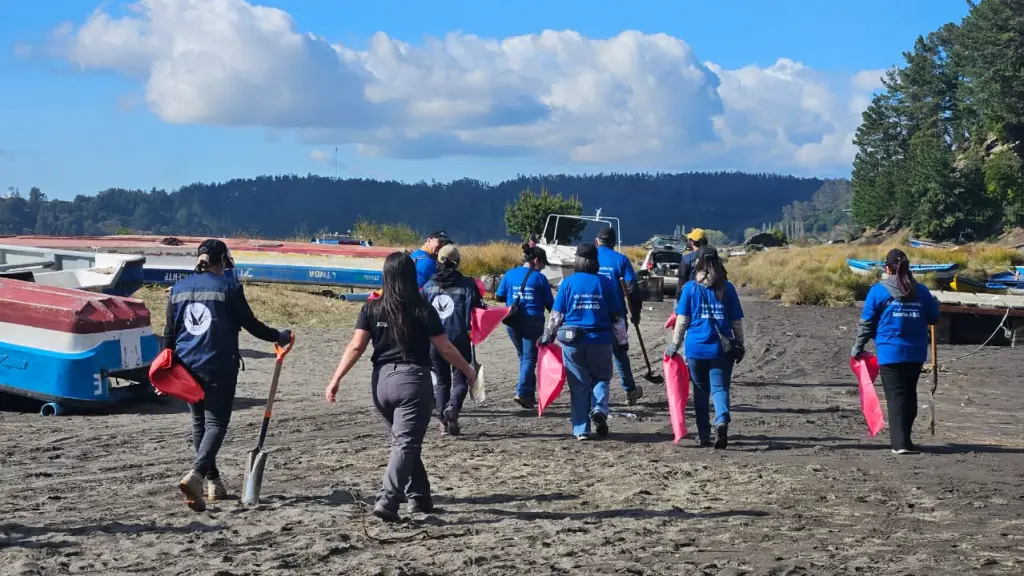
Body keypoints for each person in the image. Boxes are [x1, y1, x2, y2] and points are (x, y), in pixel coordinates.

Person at [324, 252, 476, 522]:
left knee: (404, 442)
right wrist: (467, 370)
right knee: (405, 444)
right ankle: (388, 499)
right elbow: (445, 347)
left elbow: (356, 346)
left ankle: (419, 496)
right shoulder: (422, 308)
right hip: (413, 382)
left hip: (380, 383)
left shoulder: (371, 307)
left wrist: (336, 379)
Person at [167, 239, 293, 512]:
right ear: (222, 260)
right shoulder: (229, 288)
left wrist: (167, 367)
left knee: (199, 422)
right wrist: (279, 336)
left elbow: (170, 333)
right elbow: (250, 324)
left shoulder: (177, 289)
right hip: (218, 366)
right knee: (215, 424)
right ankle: (197, 474)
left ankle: (214, 483)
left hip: (186, 366)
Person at [851, 248, 940, 455]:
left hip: (890, 351)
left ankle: (900, 444)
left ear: (887, 268)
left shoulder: (879, 290)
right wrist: (936, 305)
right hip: (916, 352)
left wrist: (858, 347)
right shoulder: (922, 291)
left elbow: (866, 322)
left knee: (896, 395)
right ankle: (906, 441)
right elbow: (934, 318)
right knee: (909, 394)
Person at [540, 243, 629, 440]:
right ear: (595, 261)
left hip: (572, 342)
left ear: (577, 260)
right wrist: (622, 341)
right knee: (601, 378)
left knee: (579, 385)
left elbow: (557, 315)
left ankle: (581, 430)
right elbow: (617, 316)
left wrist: (549, 336)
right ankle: (599, 408)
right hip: (600, 339)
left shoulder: (568, 283)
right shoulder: (605, 283)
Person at [665, 245, 744, 449]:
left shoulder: (690, 288)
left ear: (697, 264)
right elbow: (736, 321)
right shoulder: (728, 287)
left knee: (700, 391)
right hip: (721, 348)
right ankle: (721, 420)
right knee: (719, 388)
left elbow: (682, 320)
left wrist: (675, 344)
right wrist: (740, 343)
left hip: (696, 348)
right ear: (719, 262)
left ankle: (704, 434)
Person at [421, 245, 486, 435]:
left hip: (435, 341)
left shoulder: (428, 286)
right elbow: (478, 308)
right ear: (457, 262)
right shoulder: (468, 284)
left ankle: (443, 422)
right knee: (462, 377)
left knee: (442, 381)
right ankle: (452, 409)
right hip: (459, 339)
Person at [496, 243, 554, 409]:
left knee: (524, 356)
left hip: (512, 321)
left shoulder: (510, 273)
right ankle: (522, 391)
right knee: (529, 358)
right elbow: (551, 305)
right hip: (533, 321)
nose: (543, 268)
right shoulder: (539, 278)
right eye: (543, 264)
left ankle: (529, 394)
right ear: (536, 260)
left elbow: (499, 296)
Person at [594, 227, 645, 406]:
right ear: (614, 243)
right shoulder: (621, 259)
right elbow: (632, 288)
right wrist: (636, 313)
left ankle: (592, 393)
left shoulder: (589, 258)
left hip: (592, 314)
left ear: (596, 241)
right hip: (616, 316)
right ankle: (630, 391)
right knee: (620, 353)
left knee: (593, 354)